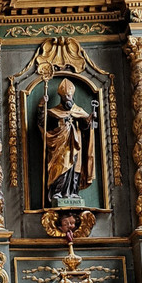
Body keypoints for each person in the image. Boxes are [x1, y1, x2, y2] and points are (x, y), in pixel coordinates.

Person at [38, 78, 96, 206]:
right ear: (62, 98)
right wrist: (42, 106)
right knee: (62, 166)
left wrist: (88, 121)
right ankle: (58, 192)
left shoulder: (79, 111)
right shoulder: (54, 112)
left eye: (70, 96)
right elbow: (42, 123)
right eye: (66, 97)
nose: (68, 99)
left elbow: (85, 127)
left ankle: (73, 192)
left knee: (75, 167)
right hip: (60, 144)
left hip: (76, 142)